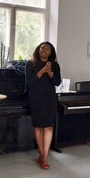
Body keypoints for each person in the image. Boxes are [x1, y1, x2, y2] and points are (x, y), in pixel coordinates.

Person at [25, 41, 61, 170]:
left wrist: (50, 73)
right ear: (38, 49)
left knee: (49, 127)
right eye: (42, 47)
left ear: (51, 52)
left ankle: (44, 157)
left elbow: (57, 82)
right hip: (36, 99)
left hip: (49, 99)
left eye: (47, 48)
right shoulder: (31, 64)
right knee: (39, 127)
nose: (44, 50)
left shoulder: (55, 65)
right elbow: (29, 83)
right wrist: (42, 71)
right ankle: (41, 154)